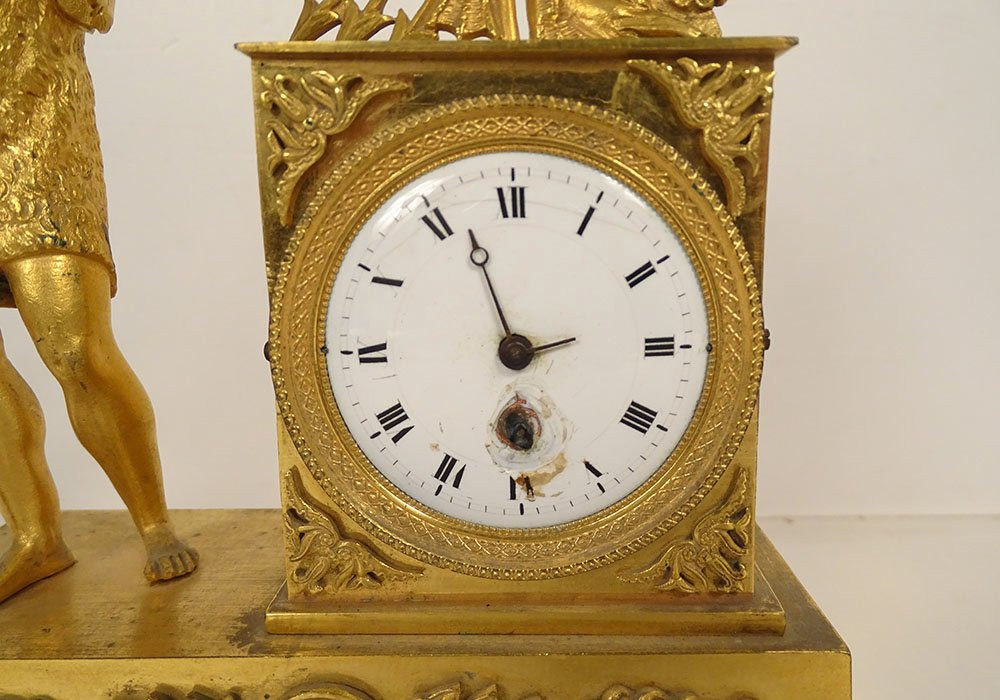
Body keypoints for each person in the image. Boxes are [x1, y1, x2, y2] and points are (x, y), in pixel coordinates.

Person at [0, 0, 197, 604]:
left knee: (77, 351)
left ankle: (155, 524)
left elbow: (95, 8)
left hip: (37, 138)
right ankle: (35, 537)